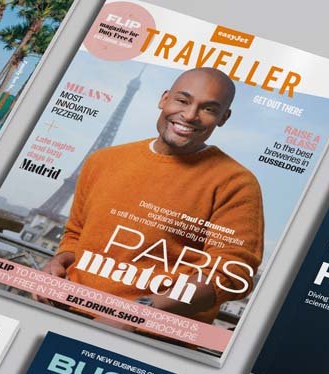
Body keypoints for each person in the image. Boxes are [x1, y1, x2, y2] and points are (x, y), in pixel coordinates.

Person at [39, 67, 264, 325]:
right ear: (164, 99)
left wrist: (140, 312)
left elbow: (232, 272)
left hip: (149, 335)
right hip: (66, 311)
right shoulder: (102, 161)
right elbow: (76, 236)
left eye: (209, 109)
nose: (190, 115)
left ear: (224, 117)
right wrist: (56, 263)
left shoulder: (236, 182)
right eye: (182, 100)